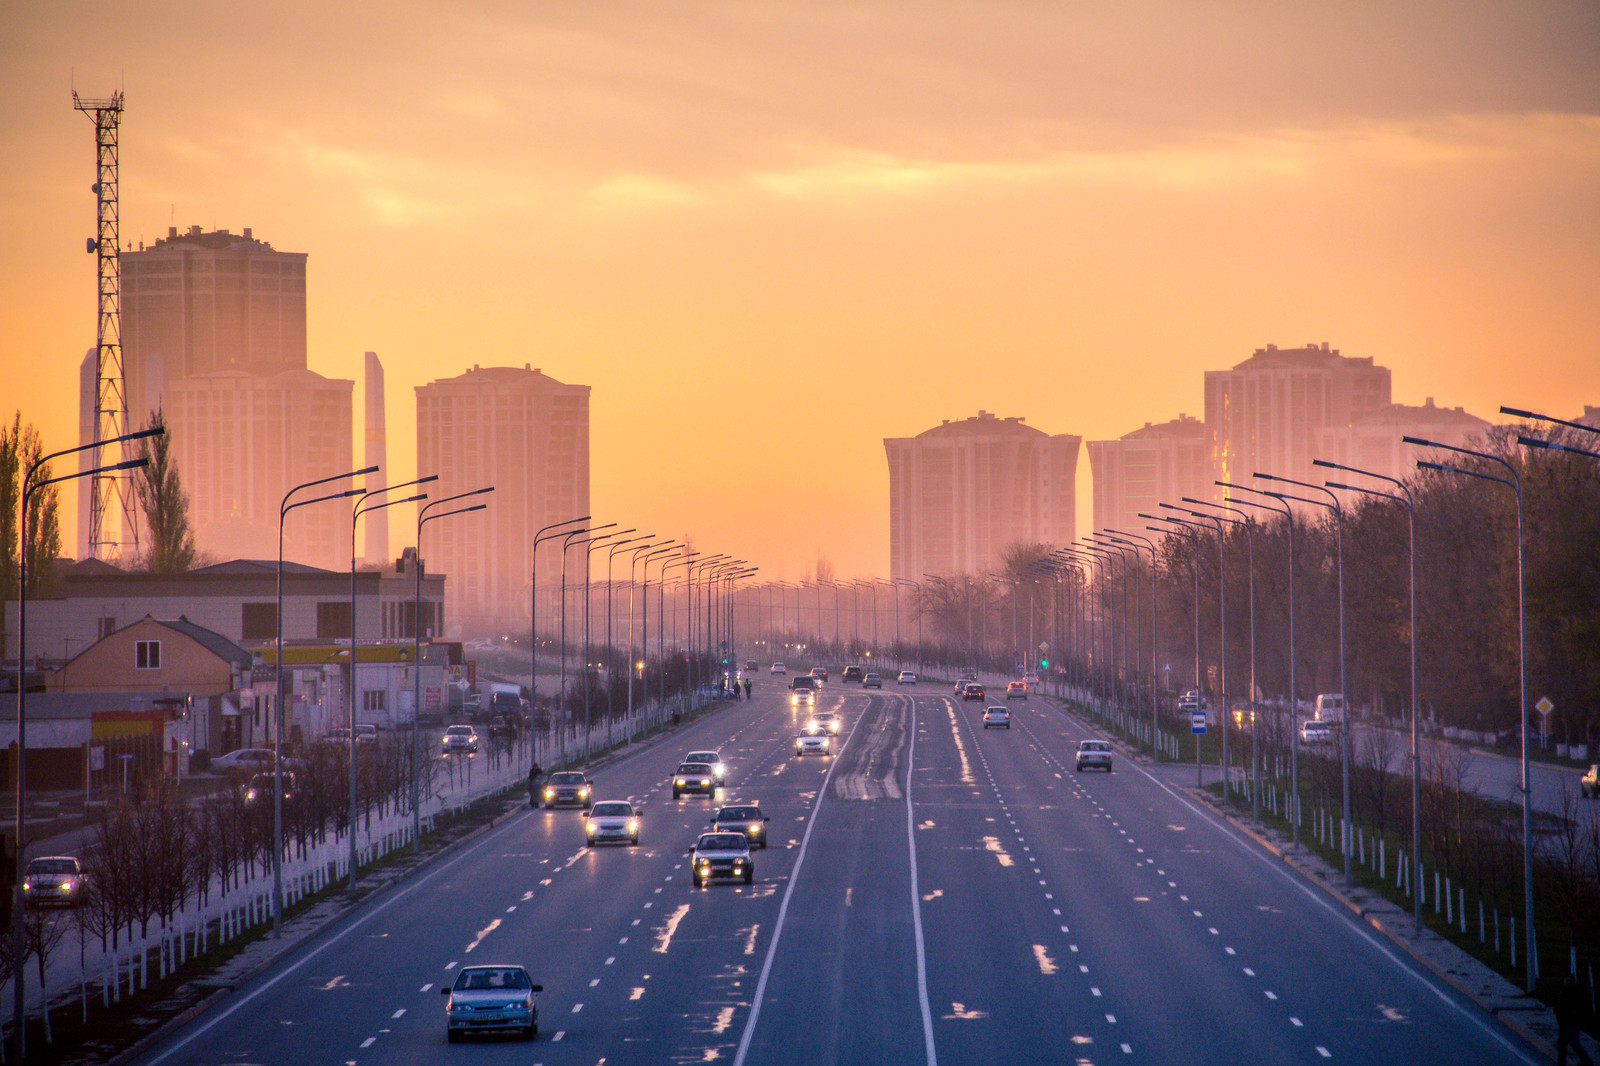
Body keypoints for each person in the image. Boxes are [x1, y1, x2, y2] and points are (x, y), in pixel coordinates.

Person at [1557, 973, 1595, 1065]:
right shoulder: (1562, 992)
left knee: (1574, 1043)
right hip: (1563, 1023)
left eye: (1569, 980)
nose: (1567, 982)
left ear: (1573, 981)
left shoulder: (1577, 992)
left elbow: (1582, 1007)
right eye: (1566, 980)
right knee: (1562, 1045)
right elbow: (1559, 1006)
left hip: (1573, 1023)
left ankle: (1586, 1061)